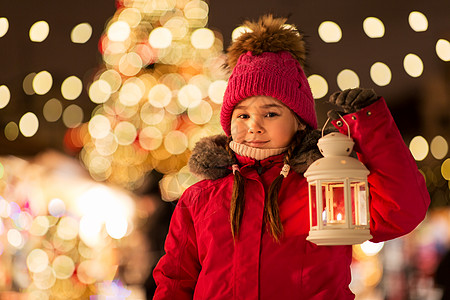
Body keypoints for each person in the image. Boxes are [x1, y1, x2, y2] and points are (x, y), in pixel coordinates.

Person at [152, 15, 430, 299]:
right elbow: (176, 279)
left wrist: (370, 125)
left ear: (298, 121)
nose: (254, 125)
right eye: (243, 114)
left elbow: (402, 211)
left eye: (271, 113)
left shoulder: (327, 185)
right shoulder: (200, 198)